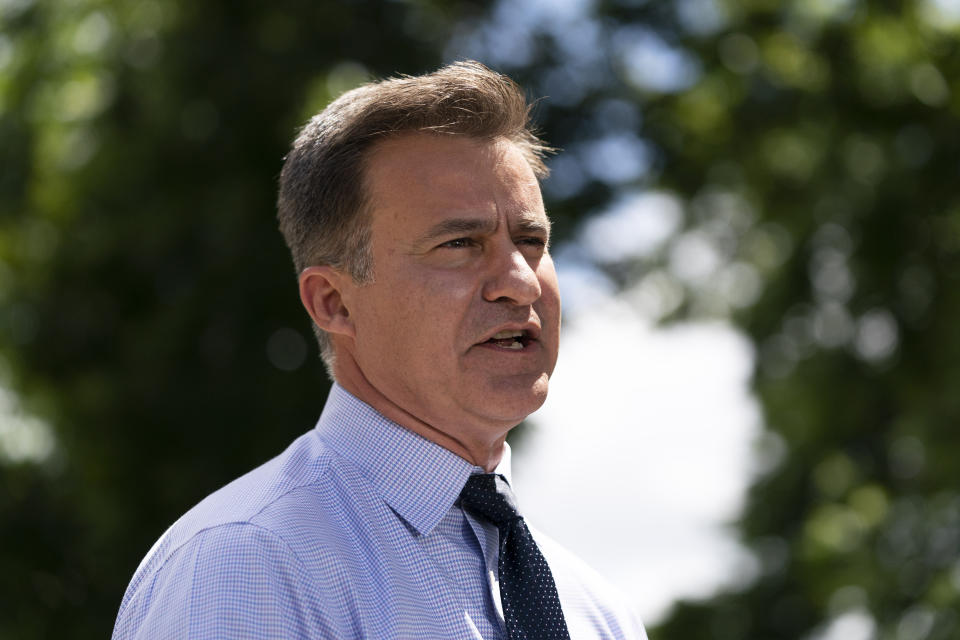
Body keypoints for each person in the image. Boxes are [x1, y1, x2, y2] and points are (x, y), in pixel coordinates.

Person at [113, 61, 647, 640]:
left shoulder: (598, 615)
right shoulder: (250, 565)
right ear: (334, 302)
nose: (519, 281)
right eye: (460, 243)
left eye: (531, 240)